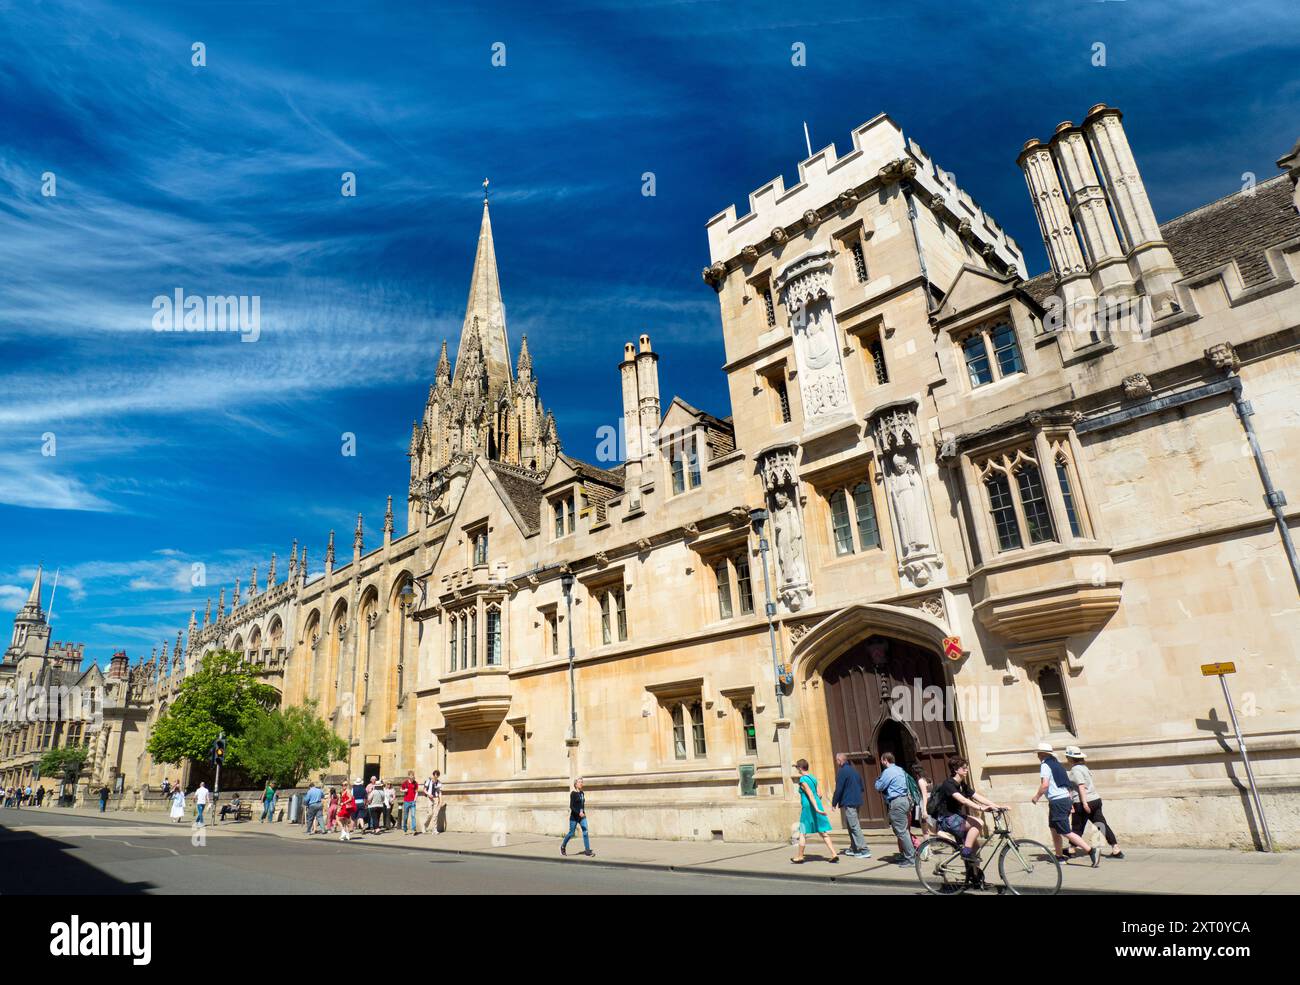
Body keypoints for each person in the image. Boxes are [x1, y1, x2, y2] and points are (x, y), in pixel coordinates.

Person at [1032, 742, 1099, 867]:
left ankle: (1091, 851)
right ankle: (1059, 857)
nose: (1037, 756)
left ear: (1042, 754)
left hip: (1058, 801)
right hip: (1062, 800)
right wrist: (1070, 802)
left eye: (1038, 754)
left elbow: (1045, 785)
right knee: (1054, 828)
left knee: (1065, 831)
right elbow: (1066, 784)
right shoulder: (1058, 765)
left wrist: (1036, 797)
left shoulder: (1045, 765)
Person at [931, 756, 1005, 864]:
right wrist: (981, 808)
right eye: (964, 768)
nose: (966, 770)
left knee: (975, 848)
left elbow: (977, 796)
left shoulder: (962, 785)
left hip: (957, 817)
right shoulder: (948, 784)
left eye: (966, 767)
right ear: (956, 770)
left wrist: (997, 806)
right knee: (979, 823)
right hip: (948, 819)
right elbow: (963, 800)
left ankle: (974, 877)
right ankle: (965, 852)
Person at [1065, 745, 1123, 859]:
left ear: (1070, 758)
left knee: (1077, 826)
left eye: (1067, 757)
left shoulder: (1075, 770)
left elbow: (1081, 786)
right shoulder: (1084, 768)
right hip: (1095, 799)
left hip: (1082, 801)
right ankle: (1116, 848)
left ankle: (1071, 849)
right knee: (1101, 824)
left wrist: (1084, 803)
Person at [791, 759, 838, 864]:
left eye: (797, 768)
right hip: (818, 804)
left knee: (803, 832)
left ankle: (800, 856)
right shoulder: (813, 778)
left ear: (800, 768)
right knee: (823, 831)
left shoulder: (803, 779)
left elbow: (810, 794)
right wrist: (817, 806)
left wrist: (815, 808)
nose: (797, 770)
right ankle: (834, 854)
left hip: (808, 807)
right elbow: (819, 794)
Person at [874, 752, 915, 866]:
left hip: (897, 802)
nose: (881, 763)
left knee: (902, 832)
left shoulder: (888, 772)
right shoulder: (900, 769)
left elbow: (879, 786)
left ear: (885, 760)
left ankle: (910, 858)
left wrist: (878, 780)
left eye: (882, 760)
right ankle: (907, 855)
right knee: (904, 830)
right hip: (905, 801)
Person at [829, 753, 871, 859]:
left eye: (836, 760)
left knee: (854, 825)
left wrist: (834, 803)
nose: (836, 762)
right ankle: (854, 848)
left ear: (840, 760)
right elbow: (861, 787)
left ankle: (864, 849)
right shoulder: (854, 770)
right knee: (850, 824)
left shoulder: (842, 771)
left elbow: (839, 789)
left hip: (849, 802)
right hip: (856, 801)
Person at [560, 778, 594, 857]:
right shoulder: (573, 793)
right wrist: (579, 813)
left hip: (582, 816)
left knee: (585, 832)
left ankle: (587, 850)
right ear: (575, 784)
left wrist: (582, 812)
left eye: (582, 782)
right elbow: (571, 806)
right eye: (579, 782)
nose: (581, 783)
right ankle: (563, 846)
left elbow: (581, 805)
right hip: (574, 817)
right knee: (571, 833)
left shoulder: (582, 793)